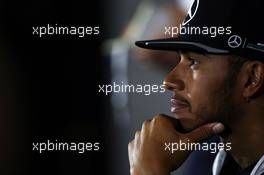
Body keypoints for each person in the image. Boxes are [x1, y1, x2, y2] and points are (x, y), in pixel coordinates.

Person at [128, 0, 264, 174]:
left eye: (193, 62)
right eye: (180, 60)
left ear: (251, 78)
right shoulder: (217, 162)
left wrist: (148, 171)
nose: (169, 80)